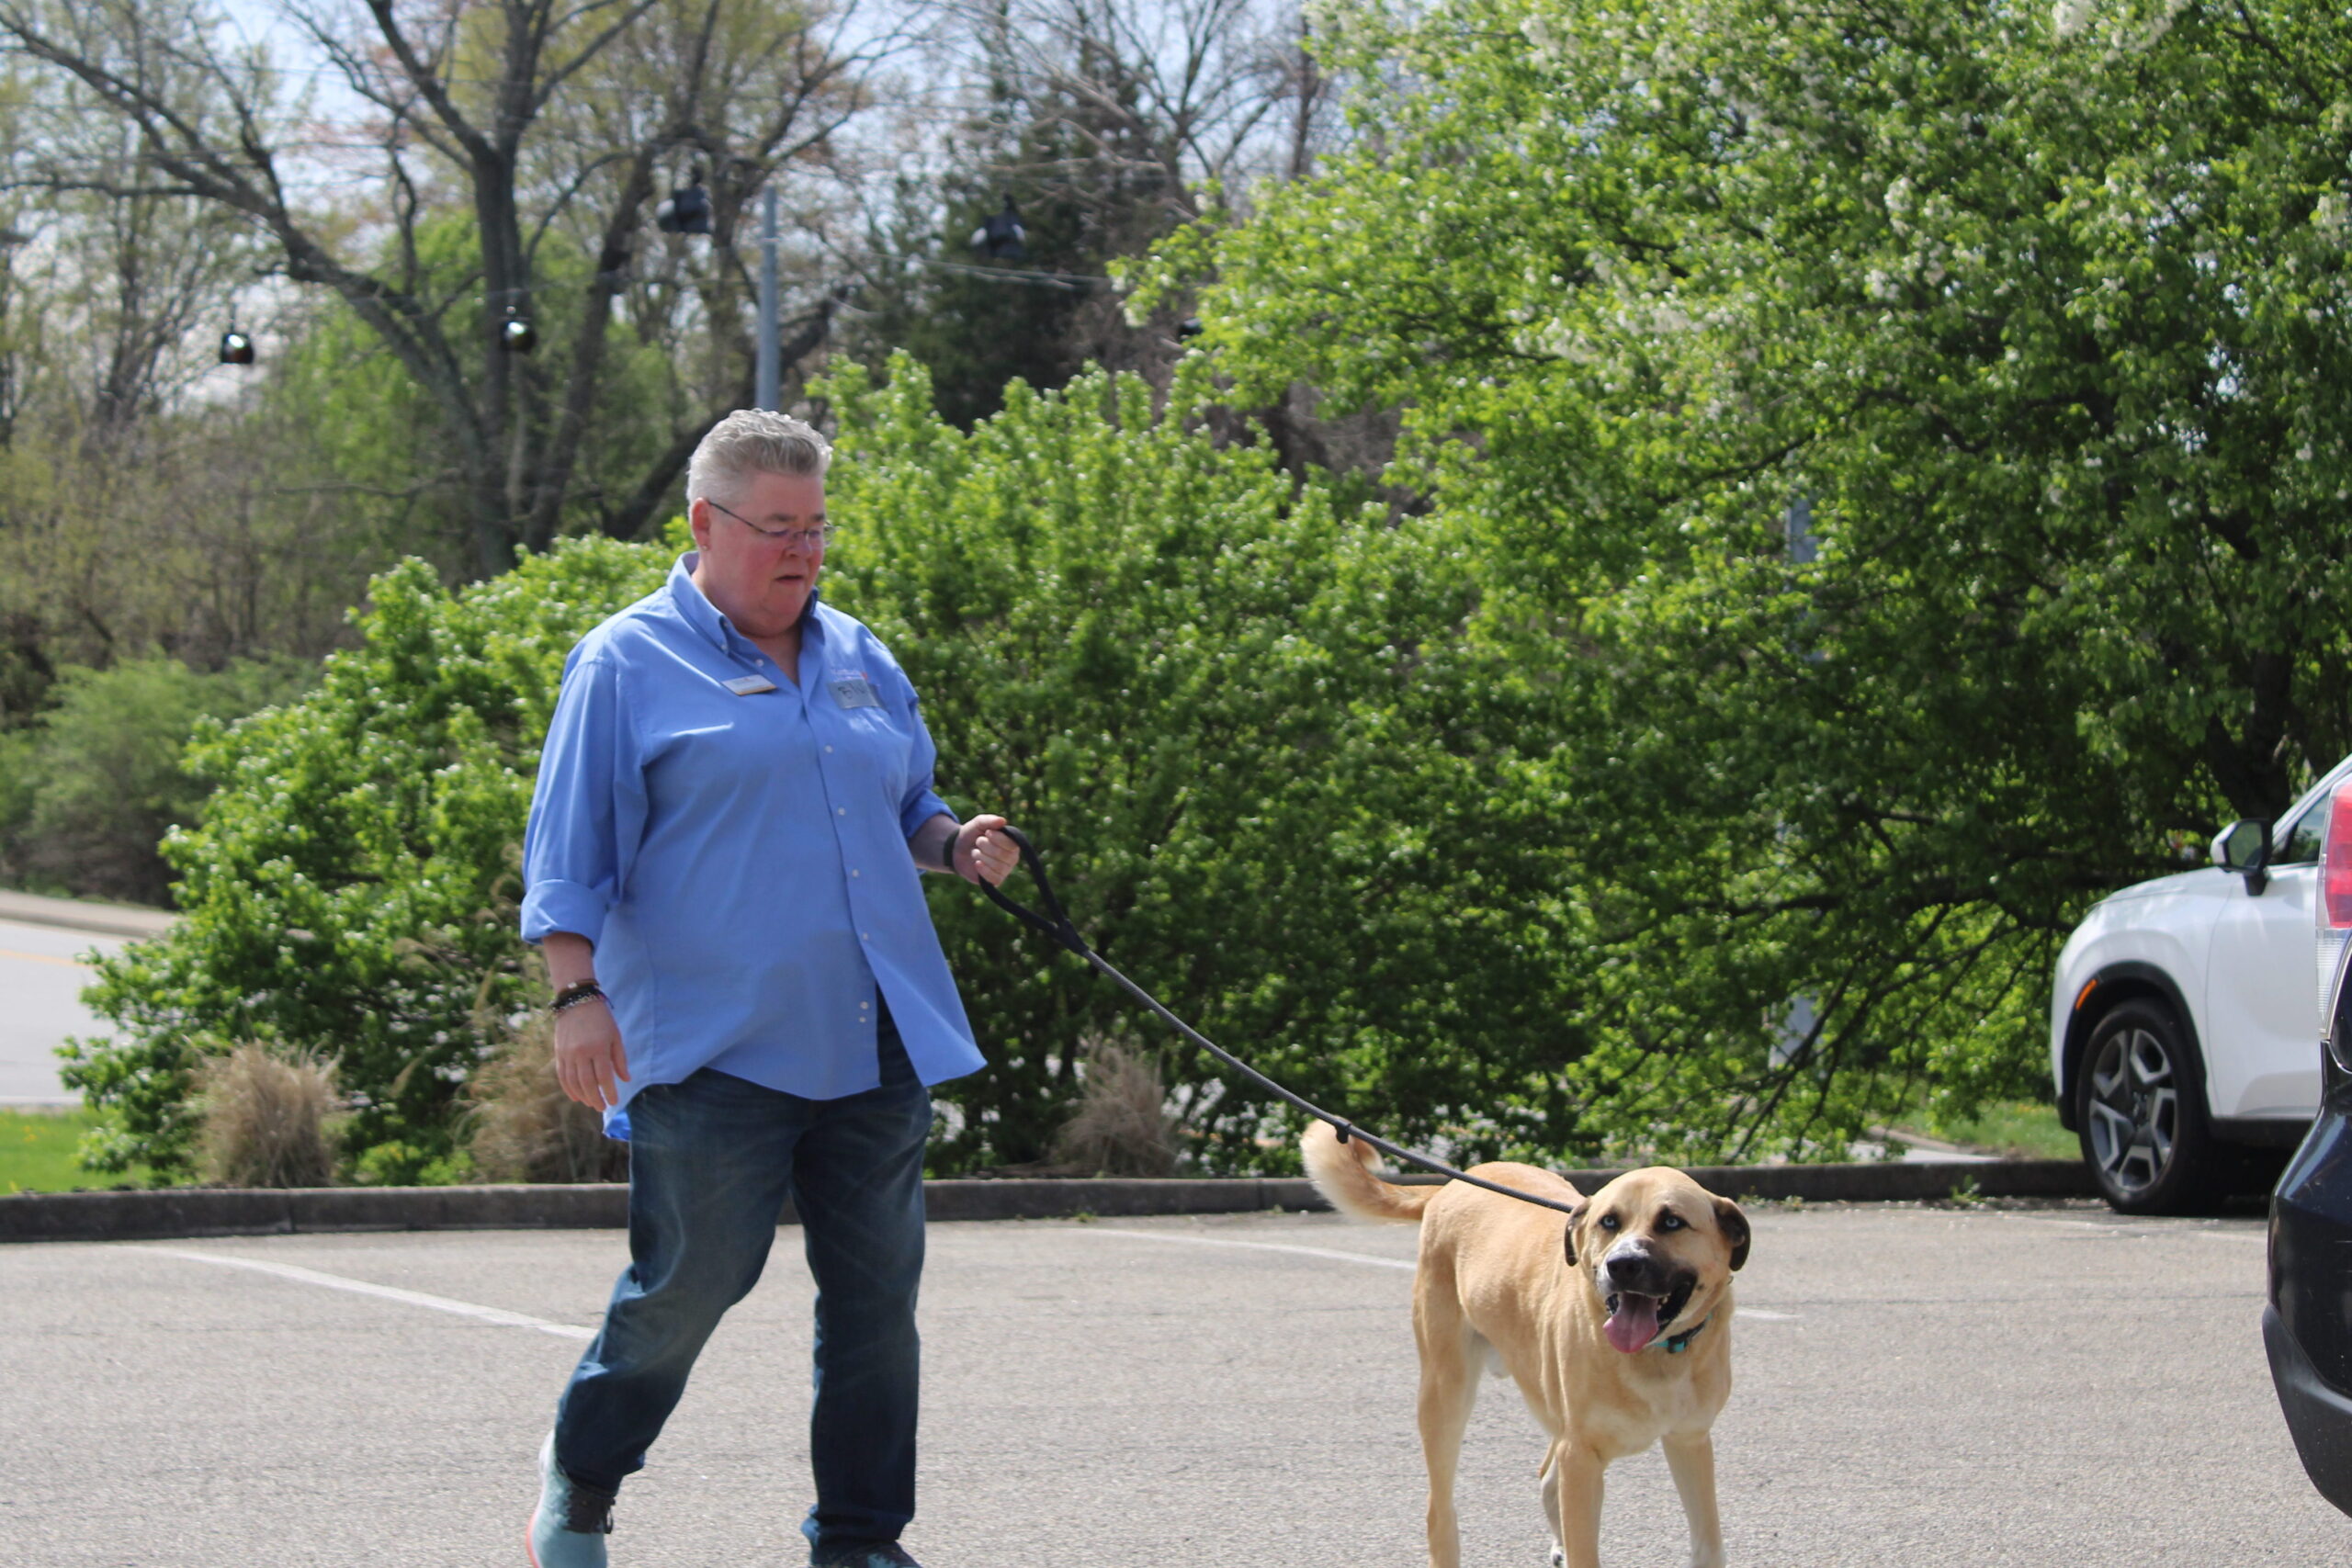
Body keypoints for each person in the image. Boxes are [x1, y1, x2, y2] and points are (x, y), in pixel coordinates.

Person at [517, 410, 1019, 1568]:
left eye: (816, 529)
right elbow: (569, 852)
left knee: (875, 1309)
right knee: (687, 1291)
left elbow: (907, 808)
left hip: (873, 1035)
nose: (802, 552)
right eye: (776, 529)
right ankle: (582, 1480)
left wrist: (957, 845)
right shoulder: (624, 662)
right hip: (711, 1048)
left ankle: (858, 1540)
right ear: (705, 523)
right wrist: (575, 996)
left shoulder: (858, 655)